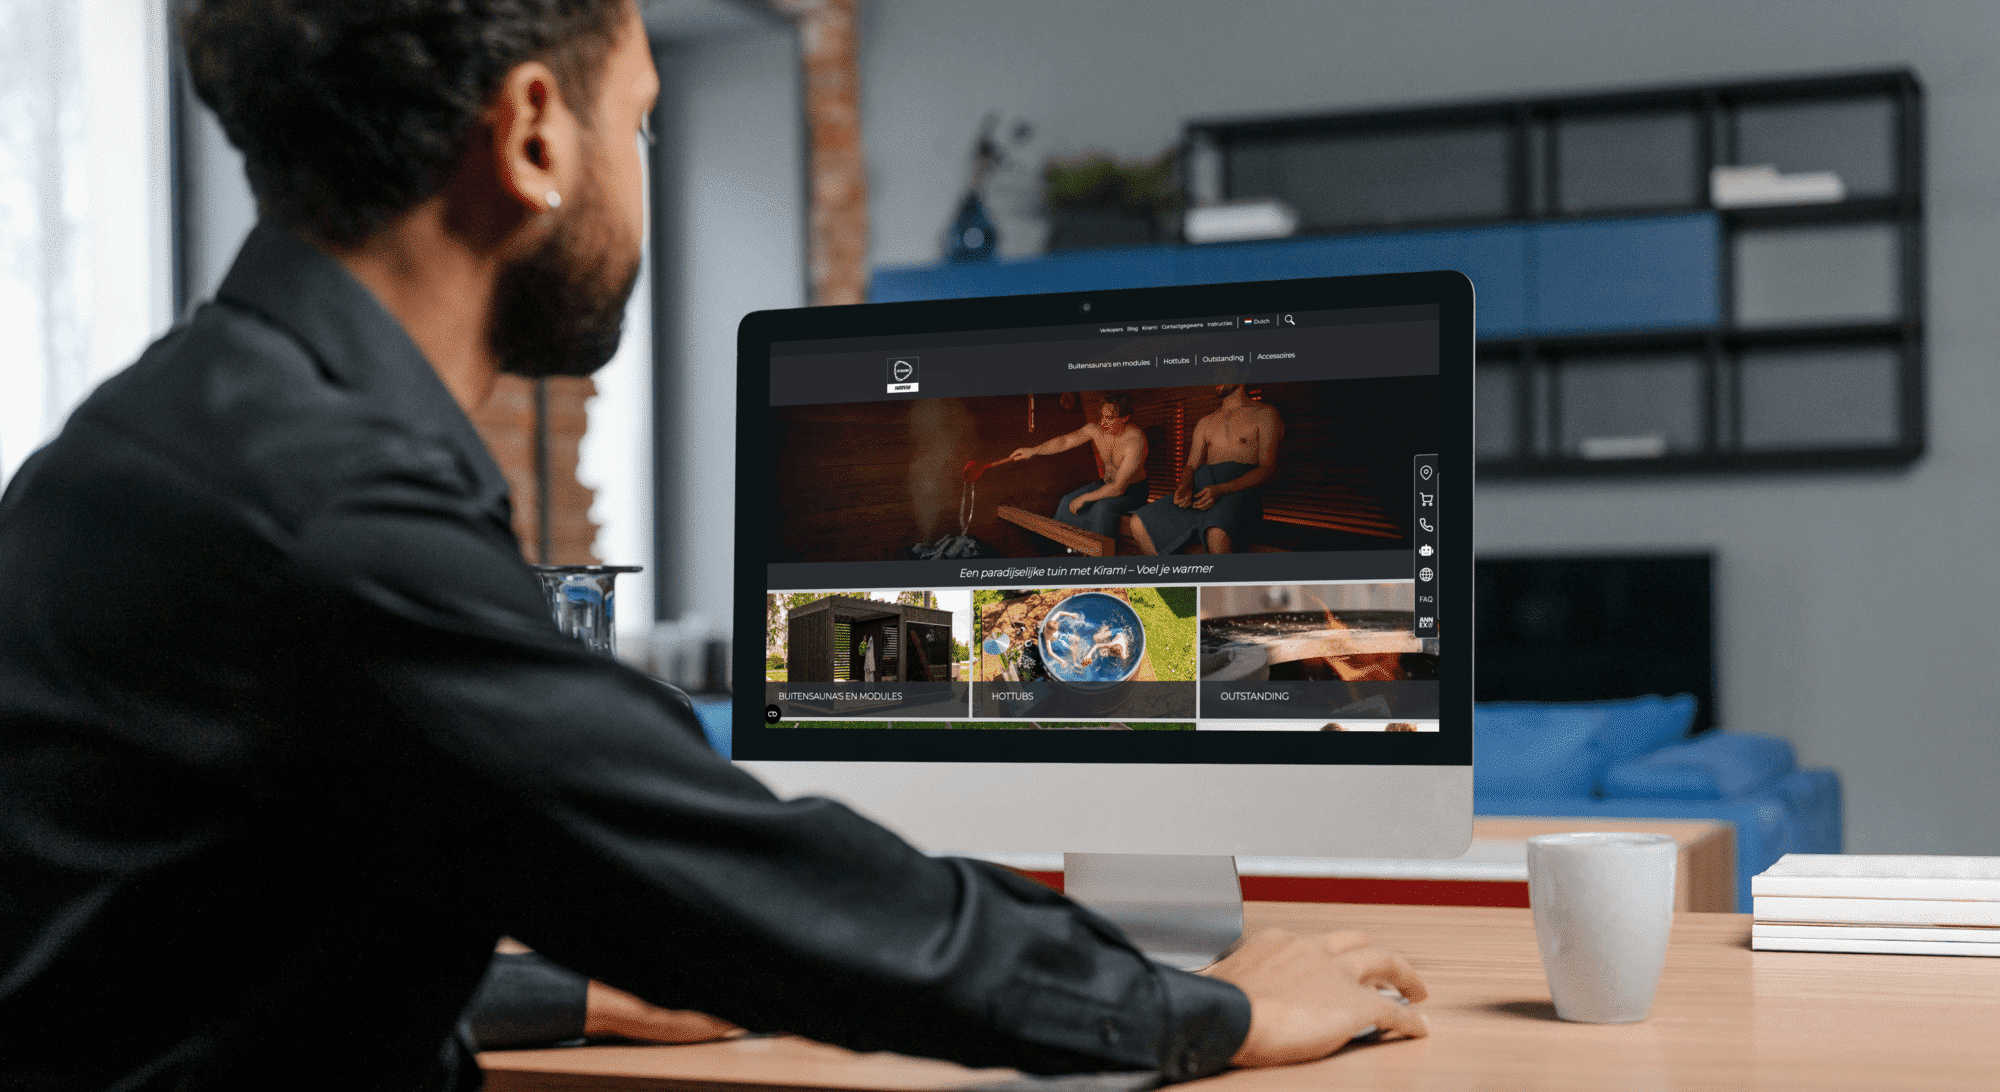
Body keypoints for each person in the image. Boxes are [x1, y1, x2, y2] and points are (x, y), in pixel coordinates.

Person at [0, 3, 1426, 1090]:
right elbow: (754, 888)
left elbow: (188, 949)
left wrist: (571, 988)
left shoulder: (164, 444)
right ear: (537, 132)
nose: (643, 172)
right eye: (644, 122)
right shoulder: (328, 517)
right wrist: (1212, 1011)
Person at [1132, 385, 1285, 555]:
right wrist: (1186, 486)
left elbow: (1267, 468)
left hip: (1240, 493)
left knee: (1217, 535)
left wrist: (1221, 489)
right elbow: (1191, 465)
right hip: (1202, 490)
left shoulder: (1265, 414)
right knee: (1138, 523)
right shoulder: (1205, 422)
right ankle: (1172, 577)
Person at [1009, 392, 1149, 542]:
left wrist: (1085, 497)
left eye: (1109, 418)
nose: (1103, 422)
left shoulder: (1135, 442)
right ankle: (1060, 550)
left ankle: (1100, 557)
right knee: (1067, 501)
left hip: (1133, 491)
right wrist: (1033, 450)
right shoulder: (1096, 430)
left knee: (1101, 509)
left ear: (1125, 418)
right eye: (1102, 416)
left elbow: (1118, 488)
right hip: (1106, 483)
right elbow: (1065, 441)